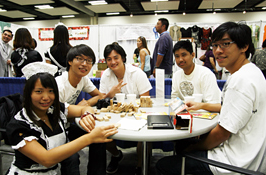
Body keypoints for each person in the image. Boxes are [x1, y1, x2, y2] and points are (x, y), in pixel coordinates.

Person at [156, 22, 266, 174]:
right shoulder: (252, 72)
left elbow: (222, 133)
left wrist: (194, 147)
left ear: (244, 46)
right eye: (214, 46)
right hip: (251, 153)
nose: (218, 51)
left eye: (226, 44)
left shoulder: (240, 80)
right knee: (182, 146)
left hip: (234, 162)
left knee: (163, 165)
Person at [5, 62, 118, 175]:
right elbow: (46, 159)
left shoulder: (54, 109)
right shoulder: (19, 124)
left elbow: (85, 109)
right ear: (28, 93)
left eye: (51, 91)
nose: (46, 97)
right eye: (39, 91)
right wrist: (90, 138)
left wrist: (87, 115)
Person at [100, 42, 152, 174]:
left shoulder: (137, 73)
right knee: (101, 132)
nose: (113, 62)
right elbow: (102, 100)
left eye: (116, 57)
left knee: (145, 134)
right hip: (114, 114)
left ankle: (141, 165)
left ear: (123, 58)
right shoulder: (106, 75)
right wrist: (110, 94)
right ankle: (116, 155)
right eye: (109, 59)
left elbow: (146, 100)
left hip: (136, 113)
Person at [55, 44, 107, 175]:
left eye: (89, 61)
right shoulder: (59, 85)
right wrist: (78, 109)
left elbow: (99, 96)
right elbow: (53, 116)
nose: (85, 64)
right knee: (72, 157)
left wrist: (86, 103)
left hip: (66, 126)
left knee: (98, 137)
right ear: (70, 61)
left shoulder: (83, 79)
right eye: (80, 59)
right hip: (54, 131)